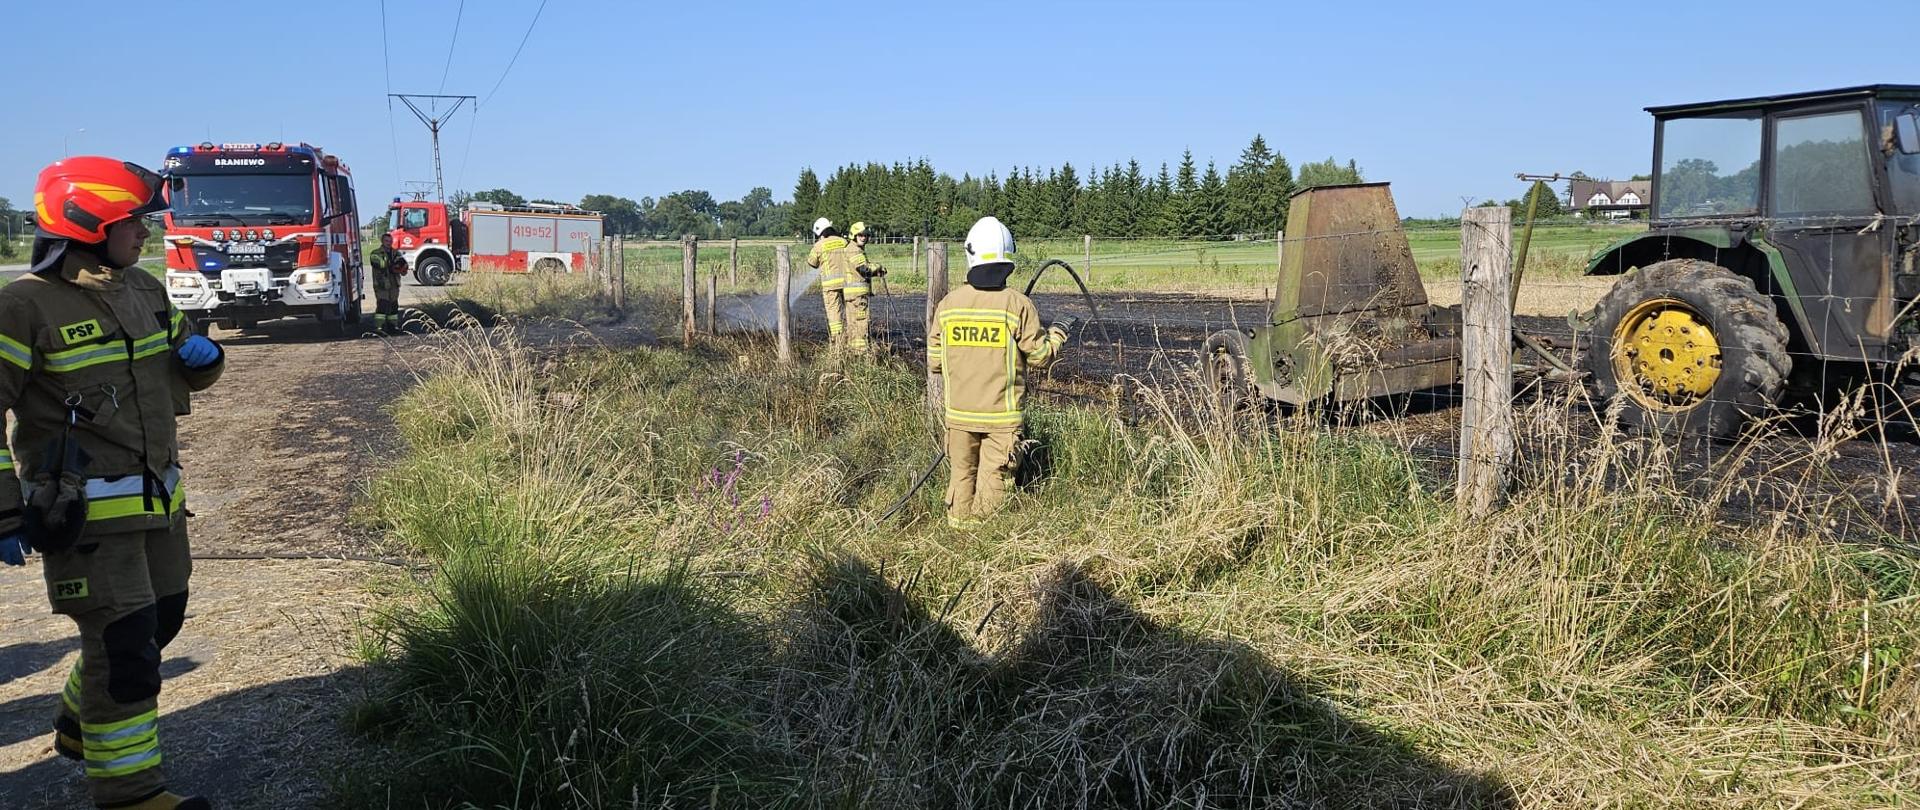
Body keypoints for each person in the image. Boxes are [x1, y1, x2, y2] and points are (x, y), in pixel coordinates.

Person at [0, 157, 224, 810]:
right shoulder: (23, 307)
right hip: (86, 521)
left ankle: (79, 722)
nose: (146, 235)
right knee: (123, 652)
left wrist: (205, 360)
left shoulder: (144, 290)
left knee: (164, 622)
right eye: (134, 223)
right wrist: (4, 512)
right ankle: (129, 794)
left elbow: (183, 377)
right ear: (87, 221)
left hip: (160, 506)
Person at [926, 216, 1073, 529]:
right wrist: (1058, 333)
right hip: (1001, 419)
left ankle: (957, 536)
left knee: (961, 475)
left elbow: (936, 362)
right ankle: (985, 542)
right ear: (1009, 258)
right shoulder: (1018, 305)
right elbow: (1039, 357)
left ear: (970, 254)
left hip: (959, 415)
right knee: (994, 481)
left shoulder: (949, 305)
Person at [825, 221, 885, 356]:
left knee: (853, 323)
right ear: (854, 236)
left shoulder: (853, 248)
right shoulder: (854, 249)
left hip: (853, 295)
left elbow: (859, 270)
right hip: (858, 296)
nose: (863, 237)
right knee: (861, 323)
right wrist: (878, 267)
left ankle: (853, 351)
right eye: (860, 235)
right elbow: (863, 269)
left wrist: (876, 272)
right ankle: (861, 352)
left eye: (865, 235)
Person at [805, 217, 850, 356]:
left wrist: (819, 245)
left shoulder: (819, 245)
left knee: (834, 312)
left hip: (830, 286)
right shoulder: (843, 241)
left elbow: (812, 263)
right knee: (850, 309)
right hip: (848, 283)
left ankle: (838, 340)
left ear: (820, 233)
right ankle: (853, 335)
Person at [367, 230, 408, 333]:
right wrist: (393, 264)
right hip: (381, 284)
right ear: (382, 241)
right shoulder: (375, 253)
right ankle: (379, 327)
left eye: (390, 241)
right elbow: (380, 264)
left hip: (394, 283)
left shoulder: (396, 252)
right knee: (382, 304)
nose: (388, 243)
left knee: (394, 305)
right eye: (386, 241)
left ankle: (392, 327)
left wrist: (399, 266)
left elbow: (404, 265)